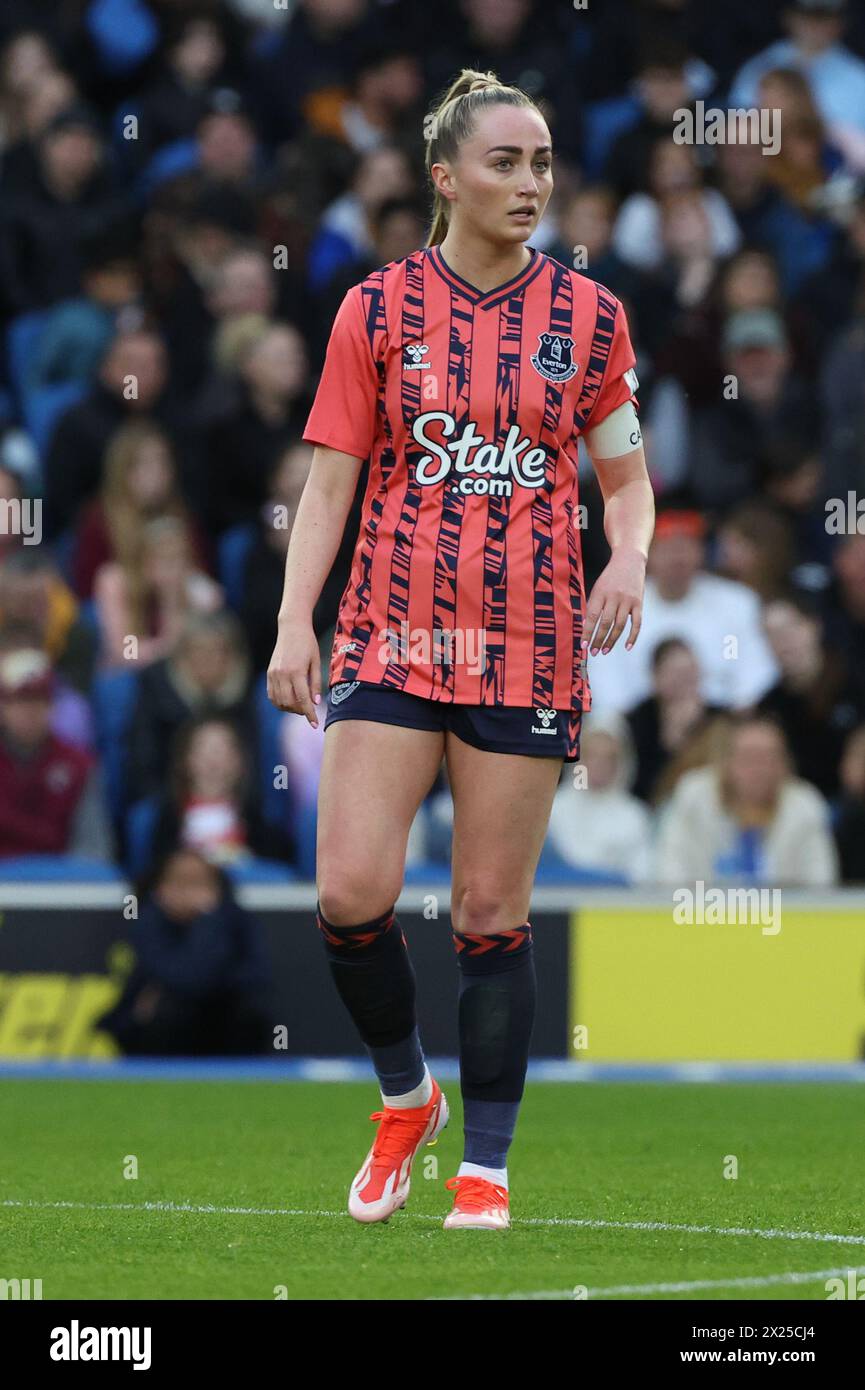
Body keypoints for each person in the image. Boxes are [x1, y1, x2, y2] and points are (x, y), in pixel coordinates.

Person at [267, 70, 654, 1230]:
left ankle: (484, 1167)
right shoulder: (373, 311)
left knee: (489, 911)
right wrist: (295, 618)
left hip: (530, 646)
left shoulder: (591, 317)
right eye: (504, 162)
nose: (530, 183)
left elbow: (627, 480)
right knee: (348, 892)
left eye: (540, 163)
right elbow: (329, 480)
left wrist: (626, 556)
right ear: (444, 177)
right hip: (389, 632)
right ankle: (404, 1098)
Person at [587, 508, 777, 716]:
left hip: (722, 723)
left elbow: (756, 672)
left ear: (702, 552)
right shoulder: (616, 605)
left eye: (686, 546)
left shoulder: (739, 602)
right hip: (639, 726)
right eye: (667, 548)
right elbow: (604, 680)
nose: (678, 558)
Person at [97, 848, 273, 1056]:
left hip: (224, 1021)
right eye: (179, 882)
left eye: (197, 883)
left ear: (217, 889)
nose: (188, 893)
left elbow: (257, 976)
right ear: (161, 888)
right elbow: (181, 977)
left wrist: (209, 920)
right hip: (165, 1032)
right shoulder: (148, 923)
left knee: (249, 1011)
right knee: (163, 1011)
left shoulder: (236, 920)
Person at [656, 714, 838, 884]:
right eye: (748, 757)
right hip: (700, 913)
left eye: (768, 758)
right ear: (727, 762)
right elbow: (671, 872)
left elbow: (820, 883)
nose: (758, 769)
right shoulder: (694, 796)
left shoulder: (805, 806)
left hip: (784, 915)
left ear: (784, 765)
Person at [0, 647, 111, 860]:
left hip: (59, 883)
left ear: (52, 706)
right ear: (3, 706)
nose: (30, 711)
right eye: (20, 701)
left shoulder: (78, 764)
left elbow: (93, 849)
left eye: (39, 700)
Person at [545, 717, 653, 882]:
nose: (599, 766)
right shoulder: (552, 807)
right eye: (592, 756)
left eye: (608, 758)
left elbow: (642, 878)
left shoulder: (634, 816)